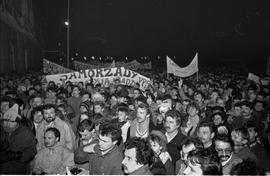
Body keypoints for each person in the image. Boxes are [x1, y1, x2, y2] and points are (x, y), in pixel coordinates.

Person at [0, 104, 37, 174]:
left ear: (18, 122)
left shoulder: (26, 133)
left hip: (18, 169)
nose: (7, 124)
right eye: (5, 121)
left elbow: (32, 151)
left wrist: (18, 155)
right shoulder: (1, 130)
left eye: (12, 122)